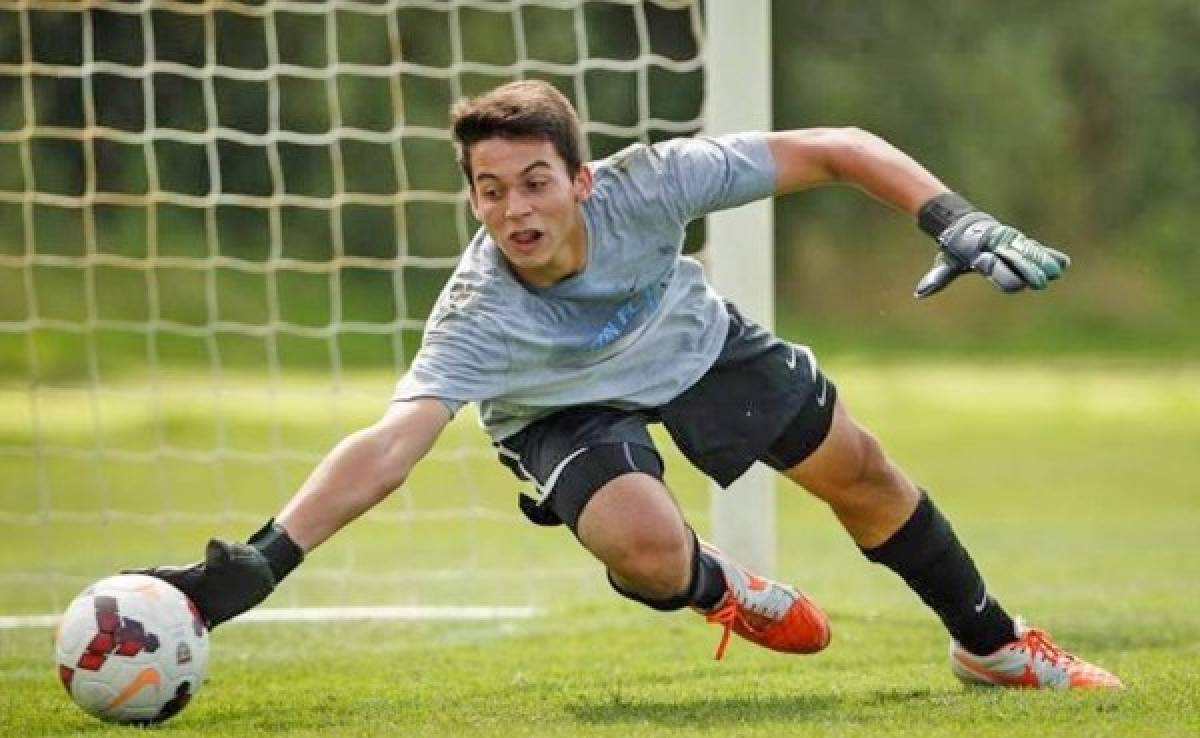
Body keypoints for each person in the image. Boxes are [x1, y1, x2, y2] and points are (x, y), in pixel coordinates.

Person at [134, 79, 1120, 689]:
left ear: (582, 179)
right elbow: (391, 445)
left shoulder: (653, 181)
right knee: (646, 552)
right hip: (557, 408)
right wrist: (268, 558)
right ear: (471, 196)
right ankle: (722, 586)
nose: (515, 209)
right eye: (490, 190)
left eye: (535, 182)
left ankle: (992, 646)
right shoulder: (476, 313)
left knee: (860, 474)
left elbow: (837, 148)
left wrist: (954, 218)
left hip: (687, 342)